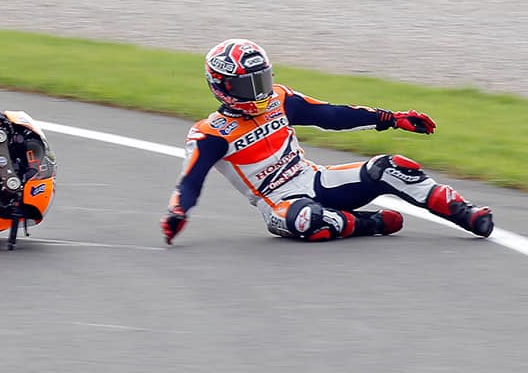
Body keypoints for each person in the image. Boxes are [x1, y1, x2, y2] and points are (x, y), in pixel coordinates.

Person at [160, 38, 494, 244]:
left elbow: (332, 115)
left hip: (315, 180)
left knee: (392, 167)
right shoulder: (210, 133)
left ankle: (466, 213)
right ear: (222, 87)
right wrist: (179, 212)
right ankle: (368, 223)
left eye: (262, 80)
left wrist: (391, 118)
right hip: (279, 205)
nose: (259, 92)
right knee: (307, 219)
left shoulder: (279, 98)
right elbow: (191, 181)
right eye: (248, 85)